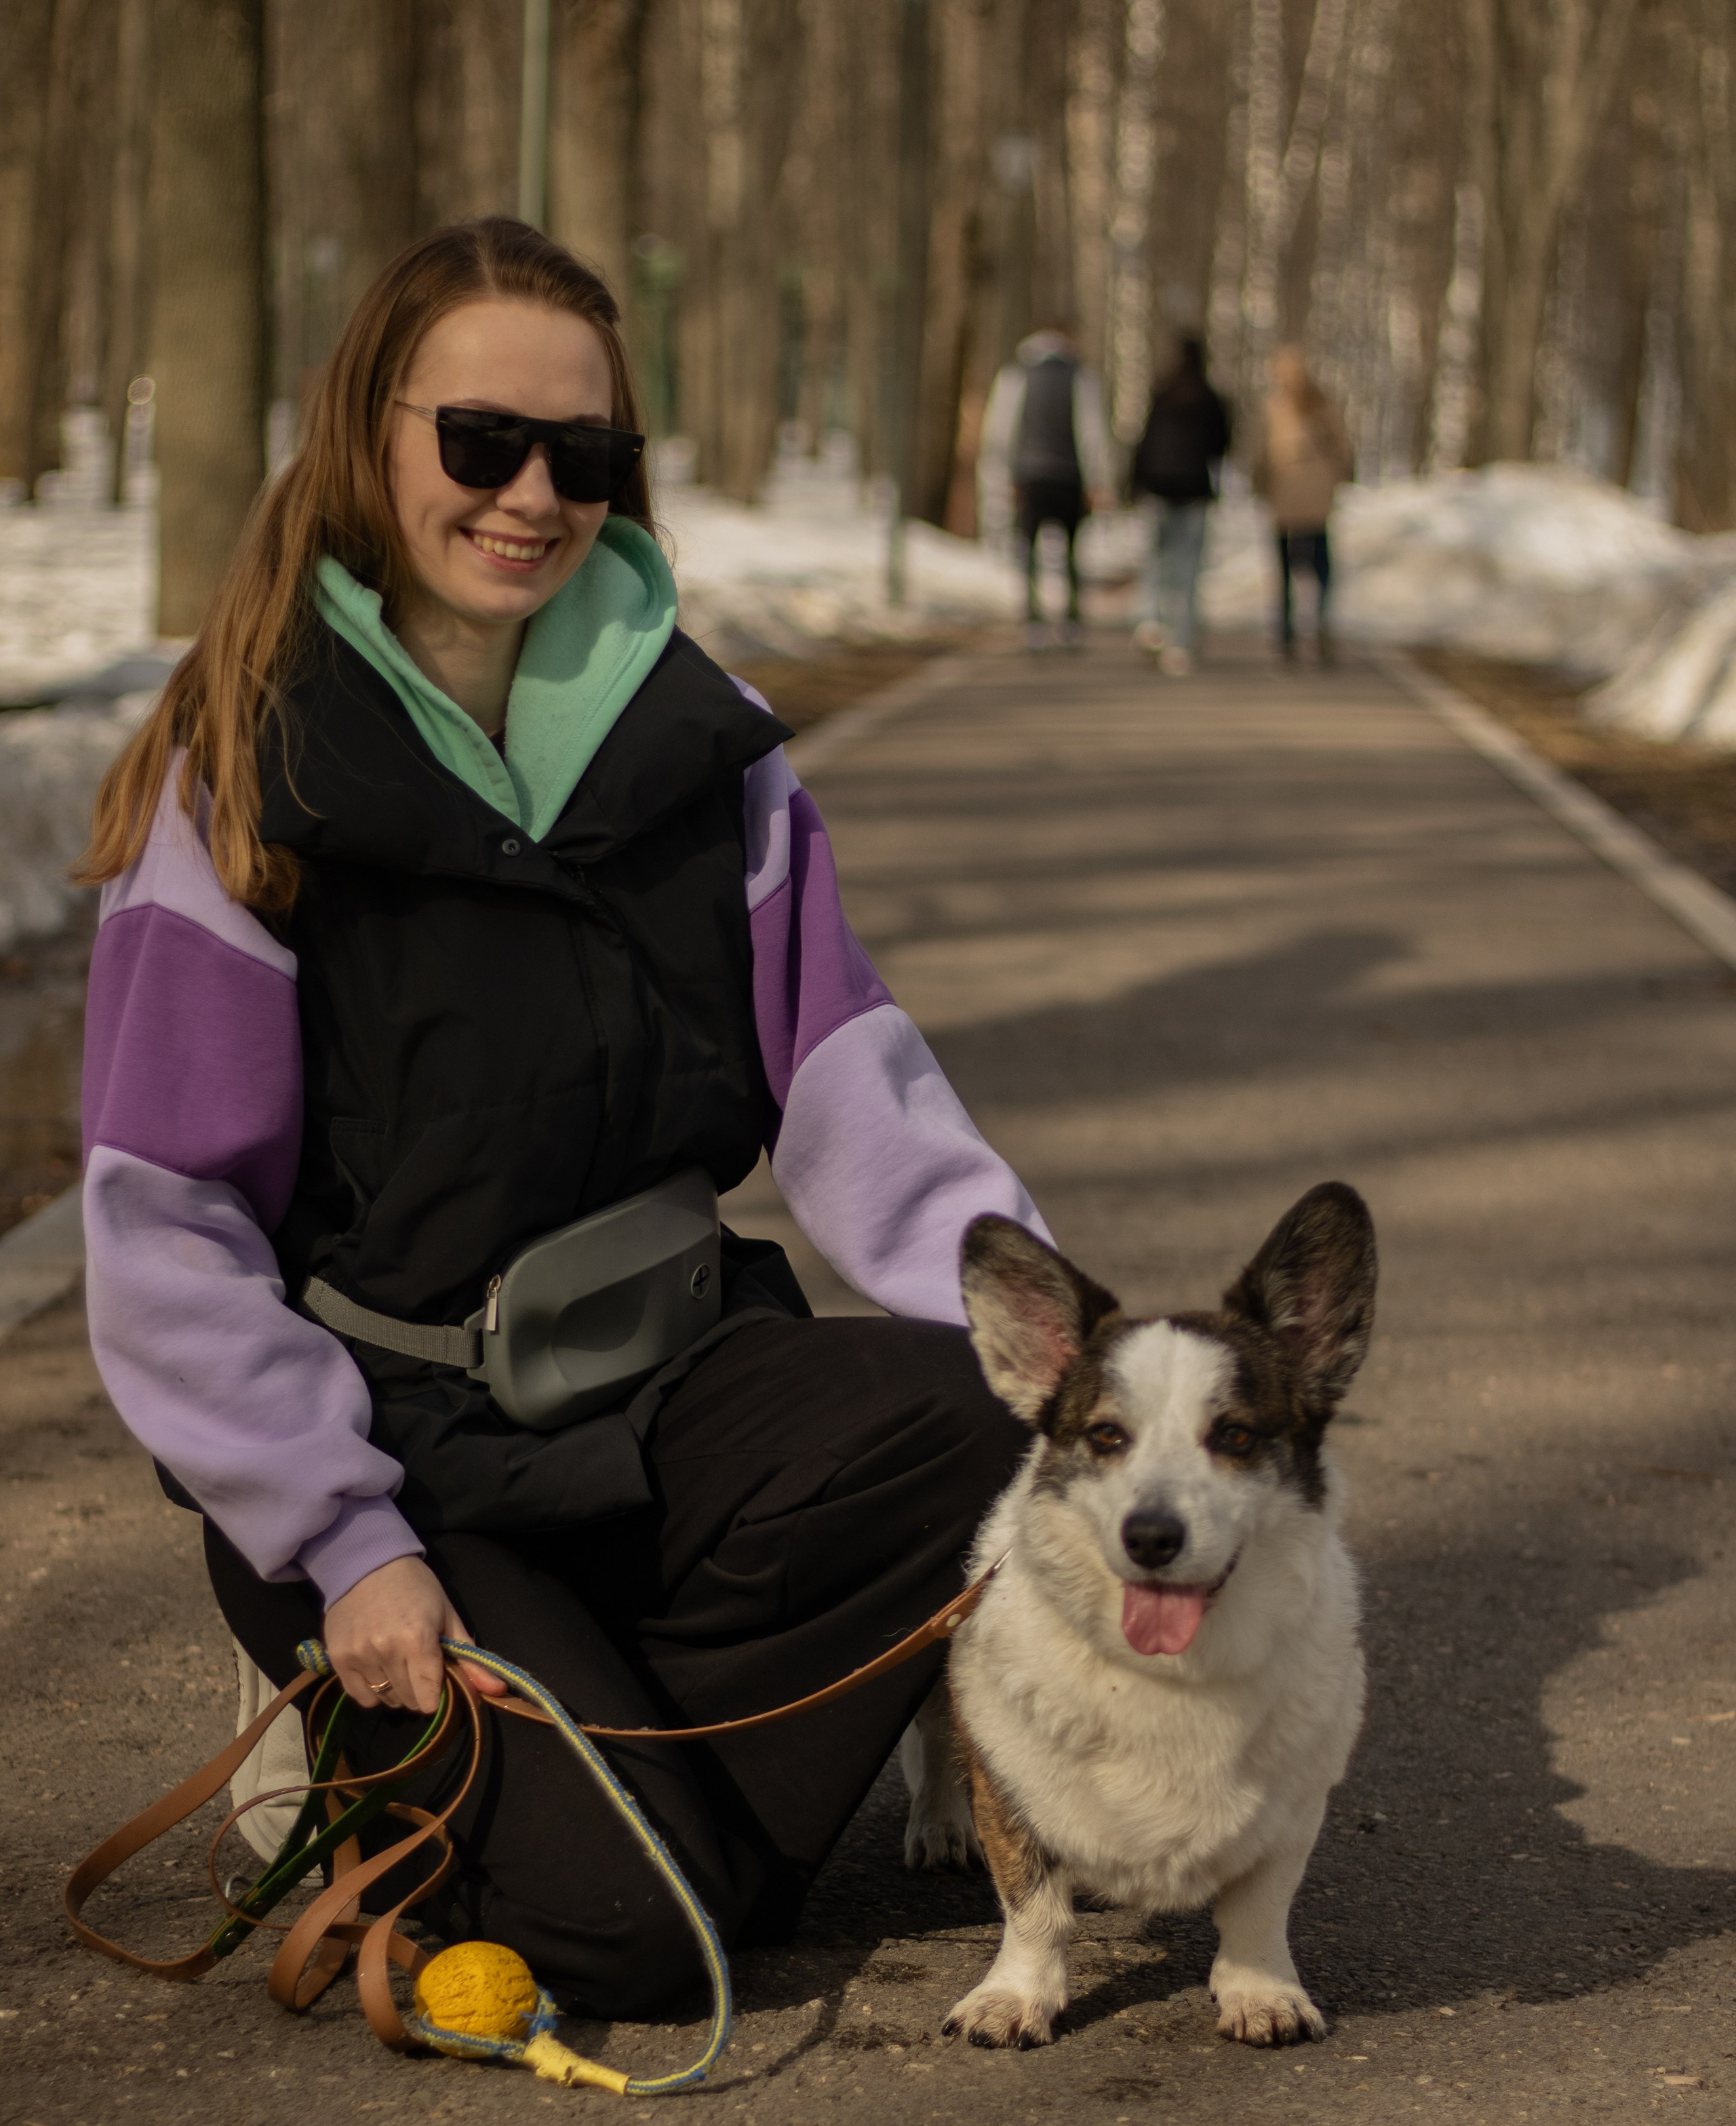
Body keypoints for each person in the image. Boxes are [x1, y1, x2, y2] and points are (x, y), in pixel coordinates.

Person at [78, 218, 1046, 2018]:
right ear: (374, 433)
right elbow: (168, 1229)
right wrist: (343, 1536)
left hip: (673, 1389)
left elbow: (858, 1090)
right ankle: (507, 1778)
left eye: (584, 457)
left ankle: (619, 1779)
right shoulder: (251, 771)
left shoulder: (710, 751)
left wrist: (1081, 1362)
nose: (534, 494)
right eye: (482, 444)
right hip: (404, 1459)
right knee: (630, 1943)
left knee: (985, 1421)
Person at [978, 326, 1114, 649]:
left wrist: (1004, 478)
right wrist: (1098, 482)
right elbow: (1092, 434)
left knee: (1030, 551)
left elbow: (1000, 431)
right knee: (1071, 554)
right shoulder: (1081, 379)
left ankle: (1033, 620)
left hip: (1031, 478)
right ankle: (1070, 621)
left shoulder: (1016, 376)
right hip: (1069, 478)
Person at [1128, 335, 1231, 676]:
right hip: (1194, 491)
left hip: (1158, 488)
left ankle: (1151, 621)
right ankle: (1181, 643)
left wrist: (1134, 483)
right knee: (1187, 569)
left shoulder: (1162, 394)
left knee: (1157, 561)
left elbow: (1142, 442)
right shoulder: (1210, 399)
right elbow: (1223, 446)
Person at [1252, 346, 1354, 663]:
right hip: (1317, 498)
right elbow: (1345, 450)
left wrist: (1260, 486)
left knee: (1284, 570)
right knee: (1321, 567)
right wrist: (1335, 480)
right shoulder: (1325, 407)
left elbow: (1261, 455)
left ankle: (1286, 635)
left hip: (1285, 499)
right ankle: (1320, 622)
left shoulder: (1275, 409)